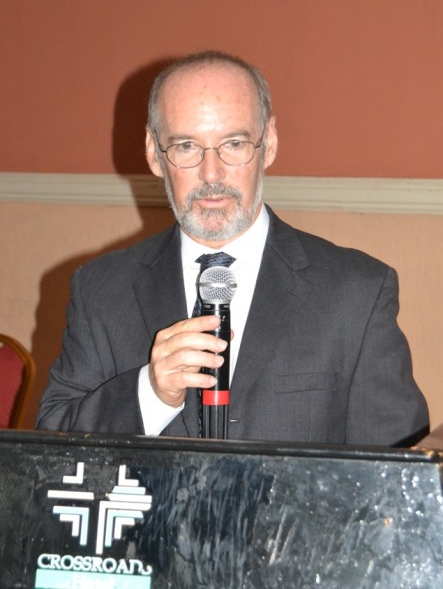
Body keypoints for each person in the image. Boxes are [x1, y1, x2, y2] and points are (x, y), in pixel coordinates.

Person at [36, 51, 429, 446]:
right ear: (155, 154)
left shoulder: (356, 293)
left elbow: (400, 481)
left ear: (269, 144)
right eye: (187, 146)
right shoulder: (101, 291)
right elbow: (49, 452)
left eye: (234, 143)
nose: (212, 174)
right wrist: (149, 393)